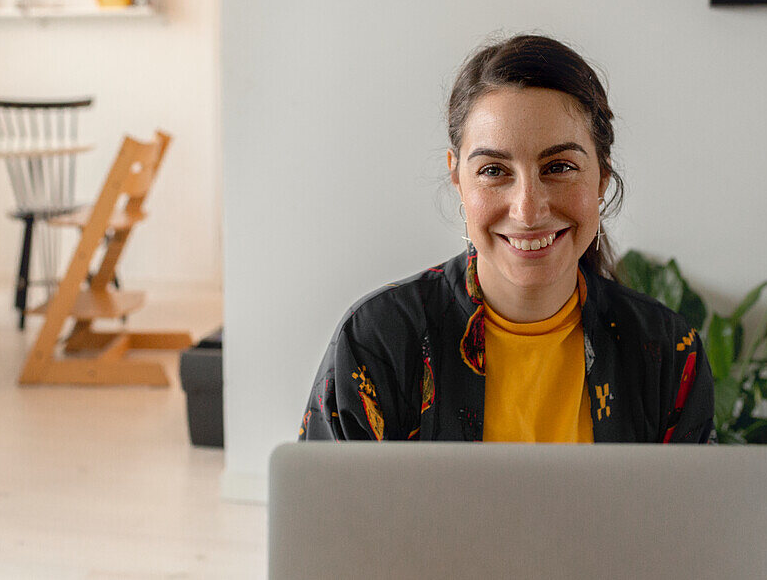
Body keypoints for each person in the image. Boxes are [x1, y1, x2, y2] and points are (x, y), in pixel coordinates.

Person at [299, 34, 714, 443]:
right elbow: (325, 510)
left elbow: (689, 512)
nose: (528, 211)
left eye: (560, 167)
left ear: (602, 177)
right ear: (457, 178)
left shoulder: (667, 353)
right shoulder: (378, 339)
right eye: (494, 171)